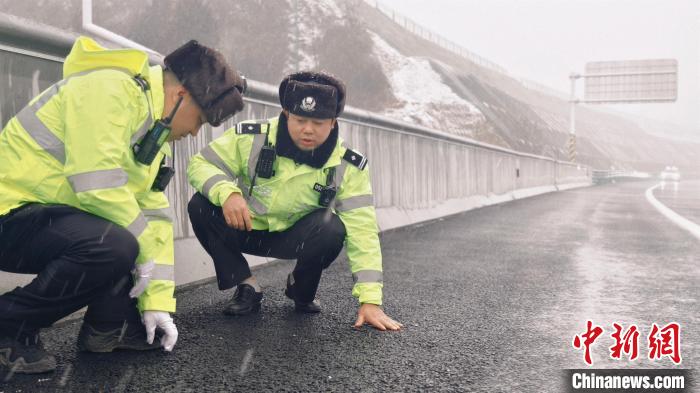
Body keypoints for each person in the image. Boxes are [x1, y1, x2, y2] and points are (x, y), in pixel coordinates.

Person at [0, 36, 246, 373]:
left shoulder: (152, 130)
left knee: (126, 235)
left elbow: (153, 213)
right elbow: (96, 185)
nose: (192, 134)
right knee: (117, 243)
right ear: (180, 96)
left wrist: (157, 303)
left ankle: (109, 326)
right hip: (9, 214)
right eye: (200, 121)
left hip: (44, 219)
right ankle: (7, 327)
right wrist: (143, 250)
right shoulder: (108, 90)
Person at [187, 71, 402, 332]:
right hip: (245, 227)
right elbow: (202, 164)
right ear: (286, 114)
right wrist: (227, 192)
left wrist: (371, 301)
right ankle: (246, 285)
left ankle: (301, 288)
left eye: (318, 122)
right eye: (300, 120)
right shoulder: (252, 137)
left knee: (332, 229)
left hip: (296, 238)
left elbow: (363, 231)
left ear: (333, 122)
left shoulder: (348, 165)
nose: (308, 130)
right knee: (201, 205)